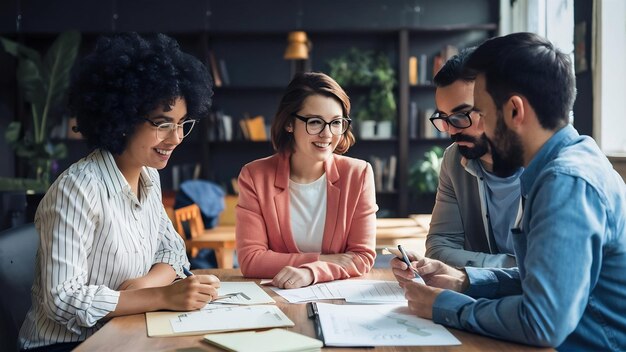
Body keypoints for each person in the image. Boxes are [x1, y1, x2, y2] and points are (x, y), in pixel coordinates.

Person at [392, 32, 626, 350]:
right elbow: (545, 282)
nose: (478, 130)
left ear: (515, 111)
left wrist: (441, 307)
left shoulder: (565, 182)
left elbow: (542, 322)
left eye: (483, 114)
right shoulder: (561, 163)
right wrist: (467, 281)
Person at [19, 33, 220, 351]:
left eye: (183, 123)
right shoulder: (78, 189)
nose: (176, 138)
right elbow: (63, 299)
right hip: (66, 345)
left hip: (125, 330)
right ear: (123, 119)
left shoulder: (149, 178)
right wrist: (160, 295)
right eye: (163, 124)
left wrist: (143, 286)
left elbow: (173, 253)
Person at [236, 72, 378, 289]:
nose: (327, 134)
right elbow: (251, 260)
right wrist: (324, 259)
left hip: (338, 297)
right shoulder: (255, 176)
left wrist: (312, 272)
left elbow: (362, 257)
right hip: (277, 297)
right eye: (315, 122)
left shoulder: (358, 174)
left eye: (336, 123)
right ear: (289, 123)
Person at [426, 47, 520, 268]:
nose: (451, 131)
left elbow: (547, 272)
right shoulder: (453, 160)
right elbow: (439, 248)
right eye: (444, 118)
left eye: (460, 116)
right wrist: (516, 266)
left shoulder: (552, 169)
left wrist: (472, 272)